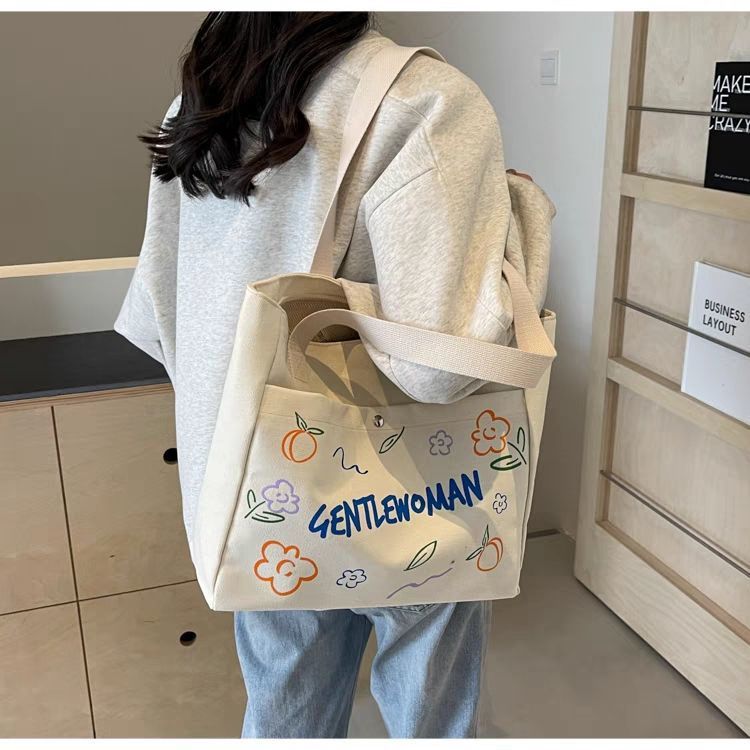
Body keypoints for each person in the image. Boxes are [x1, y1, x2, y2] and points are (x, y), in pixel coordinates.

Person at [115, 11, 551, 739]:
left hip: (257, 489)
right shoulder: (427, 101)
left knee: (286, 714)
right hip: (414, 491)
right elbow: (443, 369)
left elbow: (161, 314)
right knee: (430, 719)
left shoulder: (206, 97)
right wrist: (521, 212)